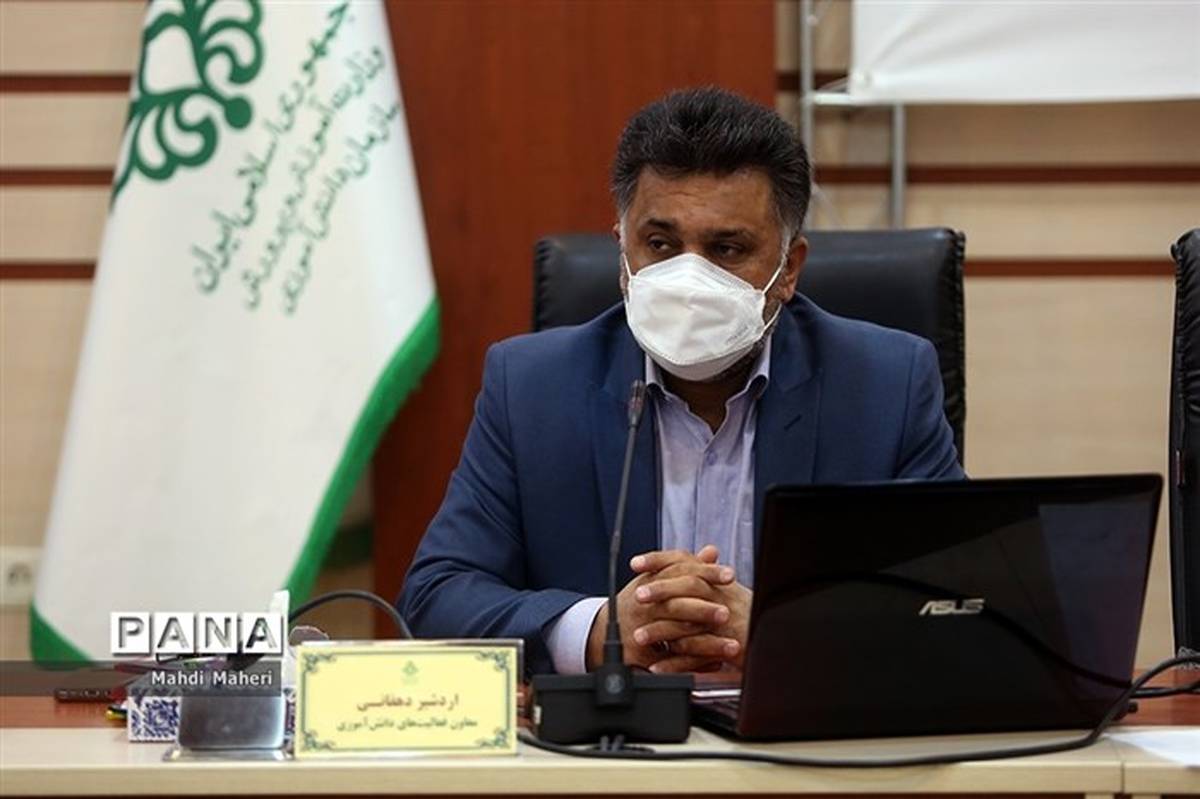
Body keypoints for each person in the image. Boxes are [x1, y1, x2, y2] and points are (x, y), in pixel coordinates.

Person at [398, 87, 963, 676]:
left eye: (727, 248)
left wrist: (782, 629)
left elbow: (955, 601)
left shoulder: (886, 386)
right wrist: (598, 630)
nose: (689, 278)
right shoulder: (531, 387)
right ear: (623, 250)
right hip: (609, 731)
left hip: (800, 728)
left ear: (789, 269)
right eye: (661, 244)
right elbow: (437, 597)